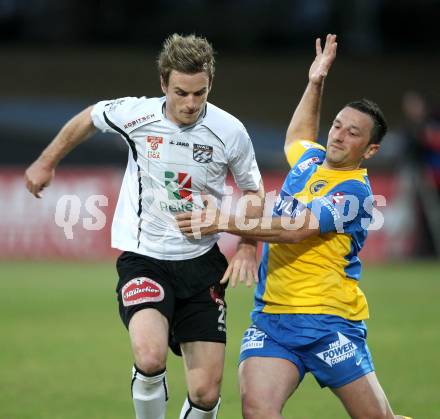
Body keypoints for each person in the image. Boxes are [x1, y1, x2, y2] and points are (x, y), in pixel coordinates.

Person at [24, 33, 264, 419]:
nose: (190, 103)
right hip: (144, 259)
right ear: (163, 83)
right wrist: (46, 160)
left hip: (202, 264)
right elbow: (89, 117)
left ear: (210, 86)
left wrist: (250, 245)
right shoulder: (137, 114)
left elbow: (254, 191)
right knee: (149, 356)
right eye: (181, 92)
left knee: (205, 392)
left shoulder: (230, 131)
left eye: (199, 93)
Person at [177, 34, 412, 419]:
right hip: (272, 320)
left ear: (370, 150)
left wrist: (222, 221)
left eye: (353, 133)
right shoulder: (311, 160)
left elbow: (294, 229)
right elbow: (299, 137)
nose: (338, 135)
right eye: (337, 125)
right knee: (257, 410)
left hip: (328, 320)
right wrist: (315, 83)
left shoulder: (355, 192)